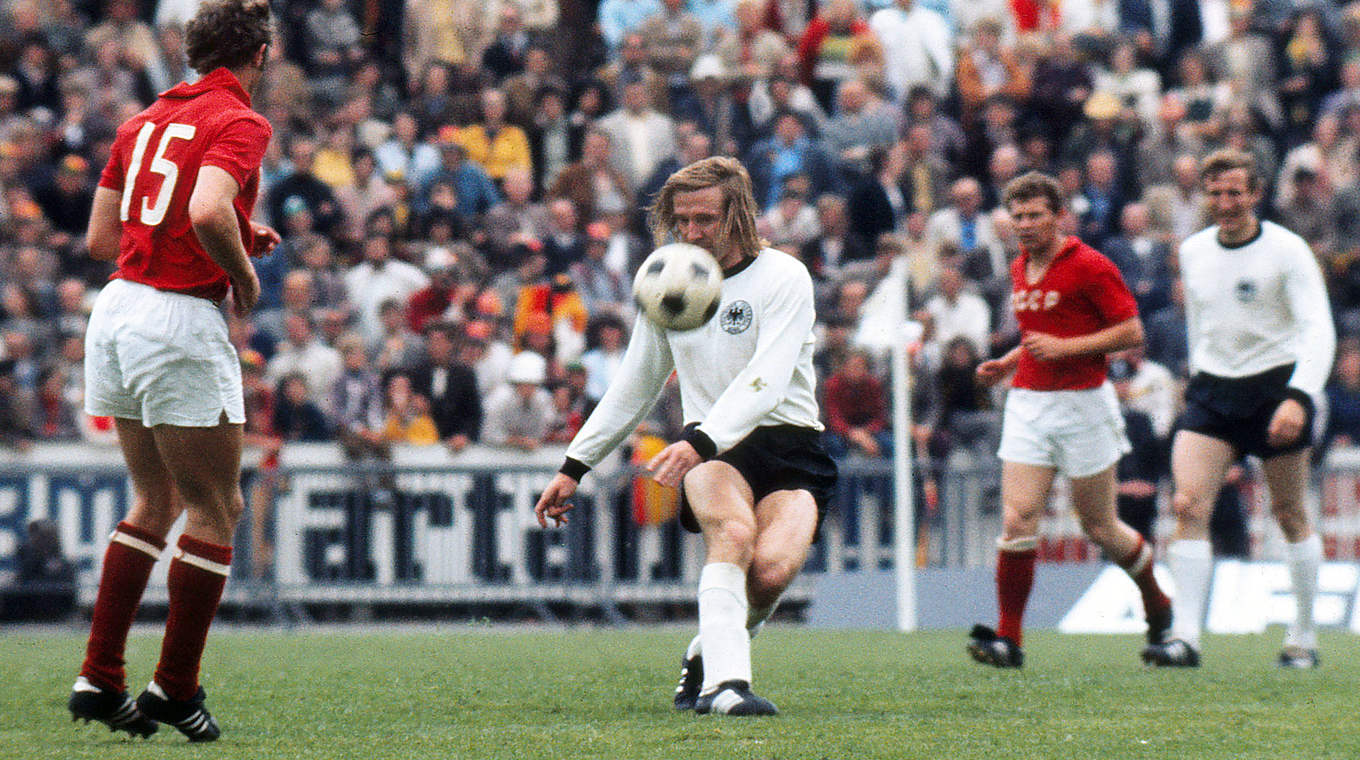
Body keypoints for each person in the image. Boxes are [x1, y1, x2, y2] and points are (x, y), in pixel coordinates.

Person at [534, 156, 836, 716]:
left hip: (791, 444)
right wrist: (573, 465)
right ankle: (727, 688)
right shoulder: (668, 276)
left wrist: (702, 439)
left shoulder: (784, 277)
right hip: (713, 450)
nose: (692, 233)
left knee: (770, 572)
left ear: (738, 214)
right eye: (682, 221)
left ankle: (706, 652)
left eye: (705, 219)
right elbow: (635, 382)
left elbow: (765, 379)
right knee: (733, 534)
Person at [70, 0, 275, 742]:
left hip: (119, 308)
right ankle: (176, 689)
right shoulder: (240, 120)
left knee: (153, 499)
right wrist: (244, 277)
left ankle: (99, 675)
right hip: (178, 318)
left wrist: (236, 228)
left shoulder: (143, 120)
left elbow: (101, 237)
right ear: (257, 55)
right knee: (218, 511)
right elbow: (206, 210)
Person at [966, 172, 1172, 669]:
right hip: (1030, 403)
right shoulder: (1019, 266)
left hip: (1083, 403)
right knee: (1018, 518)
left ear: (1058, 217)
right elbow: (1043, 331)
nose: (1025, 225)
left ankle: (1158, 603)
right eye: (1017, 216)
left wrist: (1066, 349)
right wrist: (1011, 361)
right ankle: (1009, 638)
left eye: (1035, 215)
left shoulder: (1090, 265)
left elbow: (1131, 330)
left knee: (1100, 527)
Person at [1143, 150, 1336, 670]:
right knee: (1187, 504)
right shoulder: (1193, 250)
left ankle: (1303, 636)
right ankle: (1185, 638)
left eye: (1235, 193)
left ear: (1255, 194)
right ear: (1205, 195)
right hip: (1213, 391)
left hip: (1277, 389)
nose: (1225, 203)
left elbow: (1318, 327)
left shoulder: (1287, 250)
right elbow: (1200, 324)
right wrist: (1196, 379)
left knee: (1290, 513)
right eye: (1216, 193)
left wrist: (1300, 395)